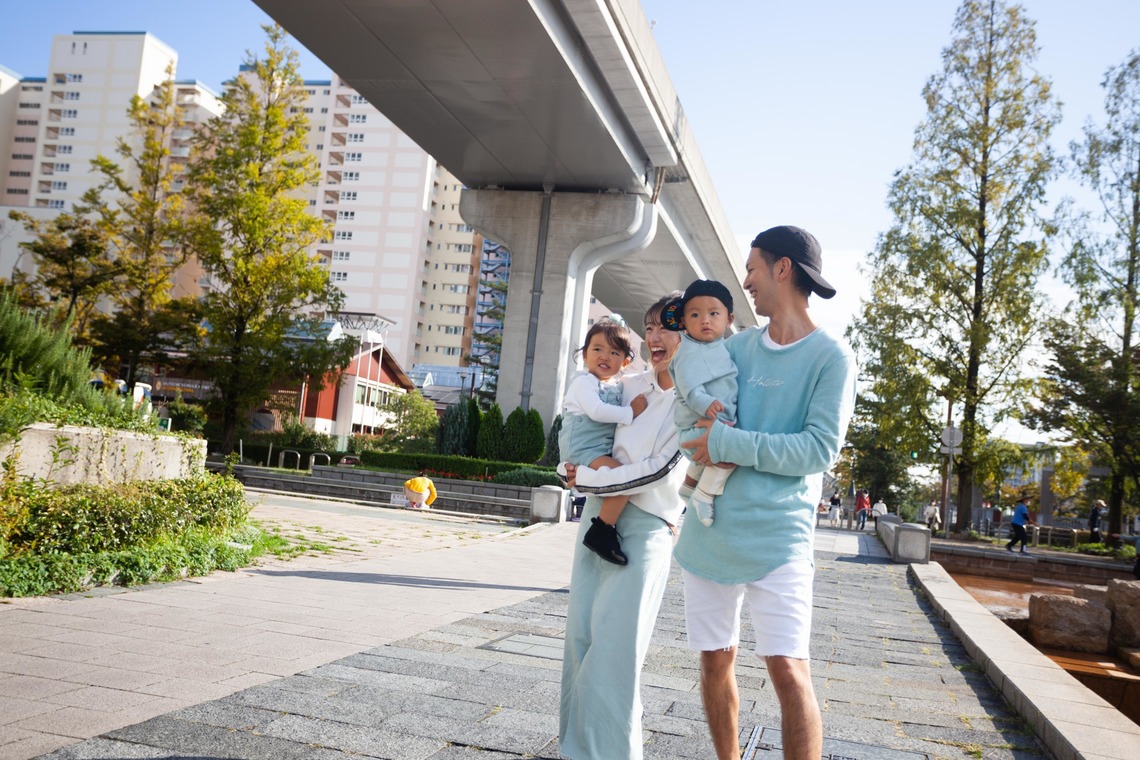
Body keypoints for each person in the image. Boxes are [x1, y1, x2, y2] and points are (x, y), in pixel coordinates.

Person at [674, 225, 857, 760]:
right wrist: (701, 444)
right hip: (709, 533)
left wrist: (728, 442)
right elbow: (694, 420)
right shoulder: (734, 347)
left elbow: (818, 451)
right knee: (714, 659)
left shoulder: (832, 357)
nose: (746, 282)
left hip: (779, 539)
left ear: (783, 269)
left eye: (753, 268)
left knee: (789, 669)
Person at [560, 294, 687, 760]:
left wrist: (587, 476)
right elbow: (576, 434)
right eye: (649, 326)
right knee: (581, 643)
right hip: (596, 517)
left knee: (617, 653)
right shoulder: (624, 383)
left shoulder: (692, 401)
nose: (655, 336)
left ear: (691, 333)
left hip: (647, 527)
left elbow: (659, 470)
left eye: (667, 327)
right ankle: (573, 750)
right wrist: (569, 473)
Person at [558, 317, 648, 566]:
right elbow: (597, 411)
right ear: (585, 355)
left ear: (625, 361)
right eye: (597, 349)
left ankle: (605, 527)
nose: (605, 356)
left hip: (595, 448)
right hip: (583, 447)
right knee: (624, 477)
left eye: (614, 352)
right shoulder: (583, 382)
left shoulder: (614, 385)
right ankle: (602, 530)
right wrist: (630, 412)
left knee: (621, 478)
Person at [662, 279, 738, 527]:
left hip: (711, 421)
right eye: (695, 314)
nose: (705, 320)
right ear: (683, 321)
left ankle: (689, 487)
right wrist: (705, 402)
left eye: (713, 313)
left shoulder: (719, 347)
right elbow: (688, 386)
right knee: (730, 455)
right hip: (697, 423)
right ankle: (704, 495)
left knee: (705, 460)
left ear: (729, 319)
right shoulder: (687, 351)